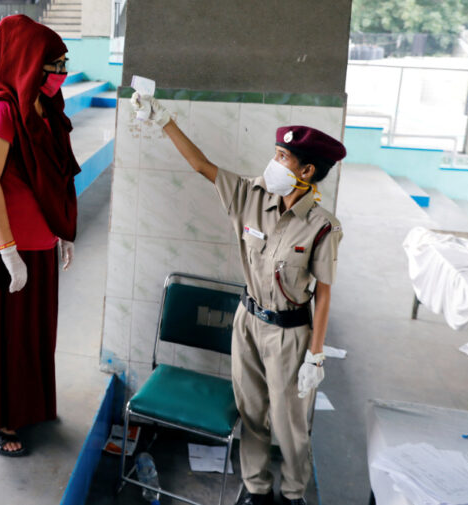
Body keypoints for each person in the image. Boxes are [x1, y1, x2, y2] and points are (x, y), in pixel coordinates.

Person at [131, 94, 346, 505]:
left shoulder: (322, 227)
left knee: (290, 425)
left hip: (291, 334)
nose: (273, 163)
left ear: (307, 171)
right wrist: (165, 120)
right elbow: (201, 166)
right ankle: (257, 489)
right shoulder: (251, 196)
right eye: (277, 153)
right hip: (247, 323)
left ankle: (294, 494)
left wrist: (315, 356)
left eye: (282, 157)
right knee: (251, 415)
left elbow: (323, 292)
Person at [0, 15, 79, 457]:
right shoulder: (0, 111)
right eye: (53, 63)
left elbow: (55, 175)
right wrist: (9, 252)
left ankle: (29, 406)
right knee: (0, 339)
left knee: (33, 335)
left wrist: (63, 230)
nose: (60, 72)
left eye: (64, 62)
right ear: (29, 61)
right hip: (3, 248)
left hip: (41, 243)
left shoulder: (45, 109)